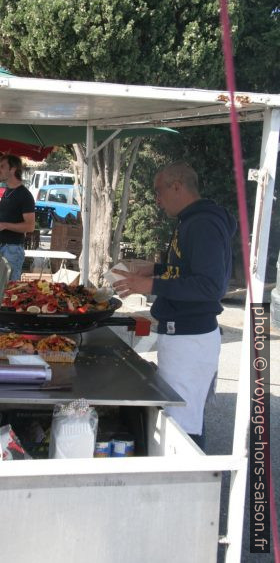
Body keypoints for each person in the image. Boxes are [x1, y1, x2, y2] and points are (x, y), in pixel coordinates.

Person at [113, 161, 237, 449]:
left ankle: (191, 488)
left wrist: (151, 285)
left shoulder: (203, 224)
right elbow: (186, 272)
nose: (156, 200)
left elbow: (210, 286)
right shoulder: (190, 221)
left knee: (184, 428)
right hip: (181, 336)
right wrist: (154, 270)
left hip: (192, 339)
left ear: (177, 186)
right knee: (179, 419)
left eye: (159, 192)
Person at [0, 154, 35, 281]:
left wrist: (4, 225)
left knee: (9, 288)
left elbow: (30, 226)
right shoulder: (7, 191)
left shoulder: (25, 195)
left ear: (13, 169)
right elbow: (7, 219)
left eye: (2, 166)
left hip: (13, 249)